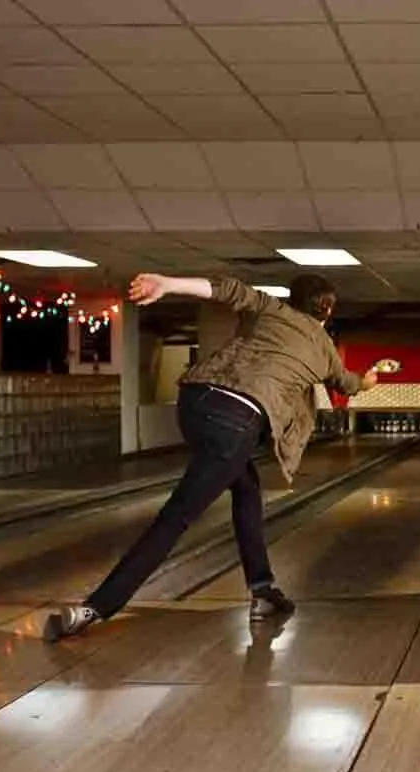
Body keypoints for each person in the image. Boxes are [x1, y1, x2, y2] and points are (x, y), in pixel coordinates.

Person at [44, 273, 377, 642]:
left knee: (246, 488)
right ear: (327, 309)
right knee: (175, 518)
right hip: (236, 423)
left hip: (195, 401)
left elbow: (226, 288)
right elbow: (350, 383)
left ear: (292, 297)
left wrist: (167, 283)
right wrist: (371, 379)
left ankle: (263, 589)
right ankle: (93, 608)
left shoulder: (270, 307)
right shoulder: (323, 346)